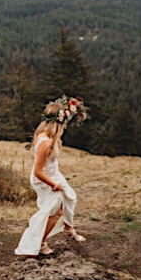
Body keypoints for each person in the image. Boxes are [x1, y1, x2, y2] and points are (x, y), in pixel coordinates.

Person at [15, 96, 88, 257]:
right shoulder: (46, 142)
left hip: (54, 174)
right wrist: (54, 184)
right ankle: (40, 242)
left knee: (70, 197)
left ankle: (69, 228)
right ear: (58, 123)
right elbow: (37, 171)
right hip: (44, 179)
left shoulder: (45, 134)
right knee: (55, 212)